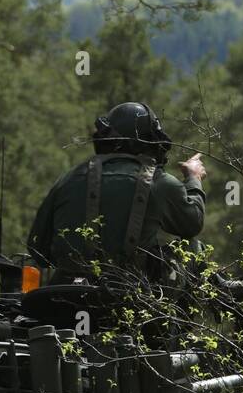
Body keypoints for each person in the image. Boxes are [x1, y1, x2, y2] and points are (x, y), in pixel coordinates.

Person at [27, 101, 207, 284]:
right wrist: (193, 177)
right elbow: (192, 224)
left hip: (65, 295)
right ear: (151, 143)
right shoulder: (161, 183)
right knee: (193, 247)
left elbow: (37, 248)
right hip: (134, 296)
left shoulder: (68, 179)